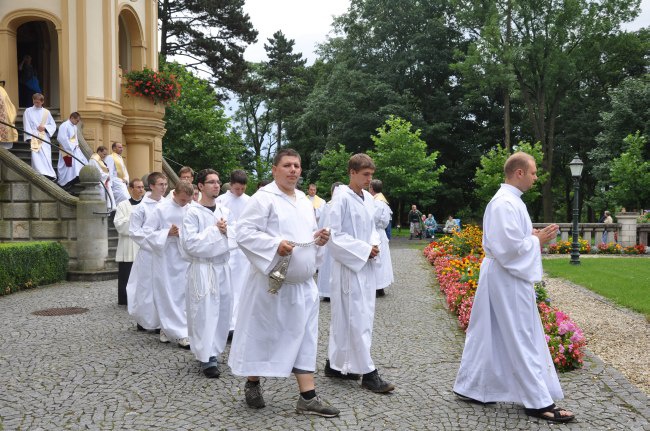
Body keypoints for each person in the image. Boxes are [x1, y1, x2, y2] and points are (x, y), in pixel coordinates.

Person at [453, 152, 574, 423]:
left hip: (502, 275)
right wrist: (536, 240)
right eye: (532, 173)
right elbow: (507, 249)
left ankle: (473, 387)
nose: (535, 178)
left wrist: (530, 237)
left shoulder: (510, 202)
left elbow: (508, 240)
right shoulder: (504, 203)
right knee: (522, 335)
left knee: (488, 332)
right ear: (519, 172)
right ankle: (537, 401)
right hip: (507, 277)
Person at [228, 149, 339, 417]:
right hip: (272, 286)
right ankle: (253, 383)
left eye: (297, 166)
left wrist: (318, 240)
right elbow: (243, 233)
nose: (293, 170)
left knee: (304, 338)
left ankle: (308, 397)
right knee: (264, 336)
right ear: (274, 169)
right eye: (287, 165)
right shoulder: (263, 199)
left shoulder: (303, 200)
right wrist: (274, 245)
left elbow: (304, 236)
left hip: (302, 286)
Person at [325, 153, 395, 394]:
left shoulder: (367, 198)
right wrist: (364, 250)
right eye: (365, 175)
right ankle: (368, 372)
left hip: (364, 265)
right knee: (356, 317)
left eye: (371, 175)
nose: (369, 179)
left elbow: (373, 228)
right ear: (352, 172)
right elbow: (333, 235)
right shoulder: (340, 198)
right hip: (348, 267)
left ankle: (336, 365)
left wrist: (373, 245)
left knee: (357, 316)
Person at [180, 169, 233, 378]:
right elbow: (190, 244)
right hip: (203, 269)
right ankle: (206, 356)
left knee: (222, 312)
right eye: (211, 182)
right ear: (200, 186)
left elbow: (235, 237)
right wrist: (216, 231)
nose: (216, 185)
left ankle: (215, 349)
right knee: (204, 312)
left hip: (222, 267)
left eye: (218, 182)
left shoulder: (225, 211)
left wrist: (227, 231)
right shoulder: (191, 212)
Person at [145, 181, 193, 348]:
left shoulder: (190, 209)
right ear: (174, 194)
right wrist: (167, 233)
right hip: (166, 256)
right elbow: (148, 231)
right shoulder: (161, 209)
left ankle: (176, 329)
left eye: (187, 200)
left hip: (184, 256)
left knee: (182, 294)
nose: (184, 203)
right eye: (182, 200)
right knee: (167, 293)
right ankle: (175, 331)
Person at [126, 172, 168, 334]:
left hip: (164, 252)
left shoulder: (168, 204)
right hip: (149, 252)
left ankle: (161, 319)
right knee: (145, 286)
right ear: (151, 186)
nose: (164, 188)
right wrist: (155, 241)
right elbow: (135, 232)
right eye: (160, 184)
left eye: (165, 184)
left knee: (163, 286)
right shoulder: (141, 208)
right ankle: (144, 319)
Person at [215, 169, 251, 334]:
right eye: (237, 189)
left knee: (242, 285)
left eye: (243, 189)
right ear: (231, 185)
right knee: (228, 286)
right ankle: (226, 322)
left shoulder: (250, 201)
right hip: (228, 248)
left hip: (244, 250)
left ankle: (239, 323)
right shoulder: (221, 201)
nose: (240, 192)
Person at [113, 178, 146, 305]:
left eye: (142, 187)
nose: (141, 189)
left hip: (142, 244)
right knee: (126, 274)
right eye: (138, 187)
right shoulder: (122, 205)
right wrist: (135, 220)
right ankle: (125, 299)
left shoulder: (146, 205)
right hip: (127, 245)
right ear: (131, 189)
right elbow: (119, 225)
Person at [316, 181, 344, 301]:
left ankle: (328, 292)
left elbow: (321, 224)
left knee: (330, 266)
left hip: (329, 241)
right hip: (331, 241)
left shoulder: (329, 205)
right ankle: (329, 292)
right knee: (330, 266)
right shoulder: (329, 205)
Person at [369, 179, 394, 297]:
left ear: (372, 189)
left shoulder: (377, 202)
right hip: (381, 233)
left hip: (376, 232)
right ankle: (380, 287)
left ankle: (377, 287)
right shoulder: (383, 201)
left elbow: (373, 218)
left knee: (376, 260)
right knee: (381, 260)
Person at [23, 93, 57, 181]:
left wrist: (45, 127)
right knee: (36, 156)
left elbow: (53, 125)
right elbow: (26, 124)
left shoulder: (46, 112)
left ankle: (49, 174)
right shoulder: (28, 111)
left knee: (46, 155)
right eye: (34, 101)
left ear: (42, 102)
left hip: (44, 136)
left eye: (38, 102)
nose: (36, 104)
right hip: (34, 136)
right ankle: (39, 173)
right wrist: (29, 138)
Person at [56, 112, 87, 190]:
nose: (77, 122)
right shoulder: (64, 125)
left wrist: (76, 146)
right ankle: (65, 183)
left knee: (80, 165)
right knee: (69, 167)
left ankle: (73, 181)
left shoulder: (74, 127)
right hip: (67, 150)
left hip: (75, 149)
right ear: (72, 118)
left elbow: (75, 139)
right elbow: (61, 138)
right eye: (77, 120)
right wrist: (72, 147)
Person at [88, 146, 115, 211]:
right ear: (99, 151)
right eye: (104, 154)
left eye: (106, 154)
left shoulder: (100, 160)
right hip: (98, 182)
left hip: (104, 181)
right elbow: (97, 171)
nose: (105, 156)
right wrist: (106, 176)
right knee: (101, 197)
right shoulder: (93, 160)